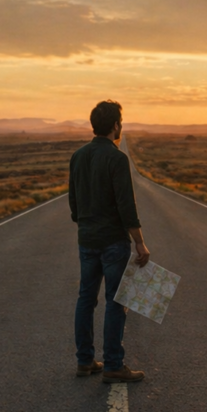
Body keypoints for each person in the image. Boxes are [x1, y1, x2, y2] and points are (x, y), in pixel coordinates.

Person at [69, 100, 150, 383]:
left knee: (85, 299)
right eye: (121, 122)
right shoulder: (117, 159)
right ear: (116, 125)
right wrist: (140, 243)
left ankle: (85, 361)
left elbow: (74, 207)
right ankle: (114, 365)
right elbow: (127, 207)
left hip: (86, 240)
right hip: (114, 242)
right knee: (116, 302)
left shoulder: (78, 156)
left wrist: (89, 226)